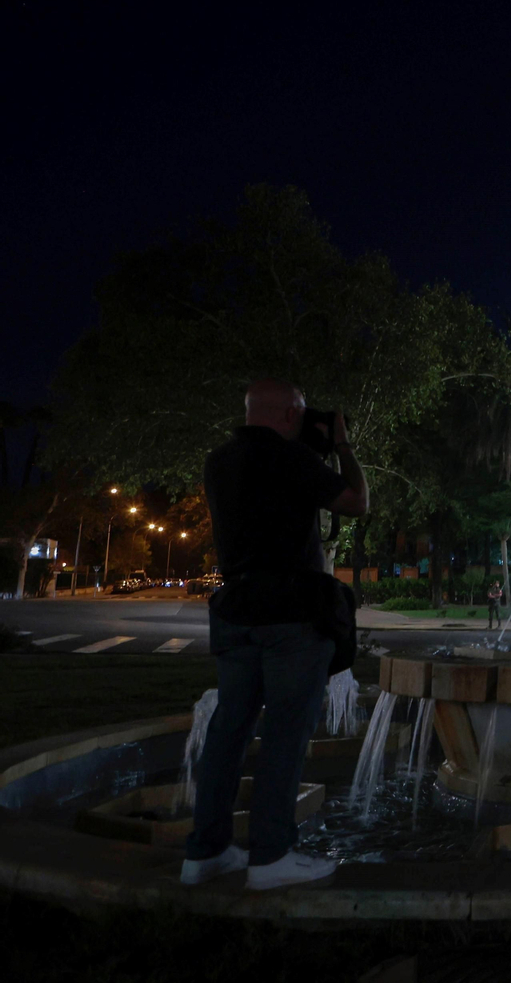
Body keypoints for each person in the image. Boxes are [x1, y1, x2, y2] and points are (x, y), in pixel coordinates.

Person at [183, 378, 368, 891]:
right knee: (286, 733)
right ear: (290, 413)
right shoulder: (290, 459)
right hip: (290, 614)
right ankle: (271, 855)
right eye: (303, 412)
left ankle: (205, 852)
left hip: (236, 611)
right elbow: (355, 500)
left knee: (228, 732)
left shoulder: (218, 462)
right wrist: (344, 445)